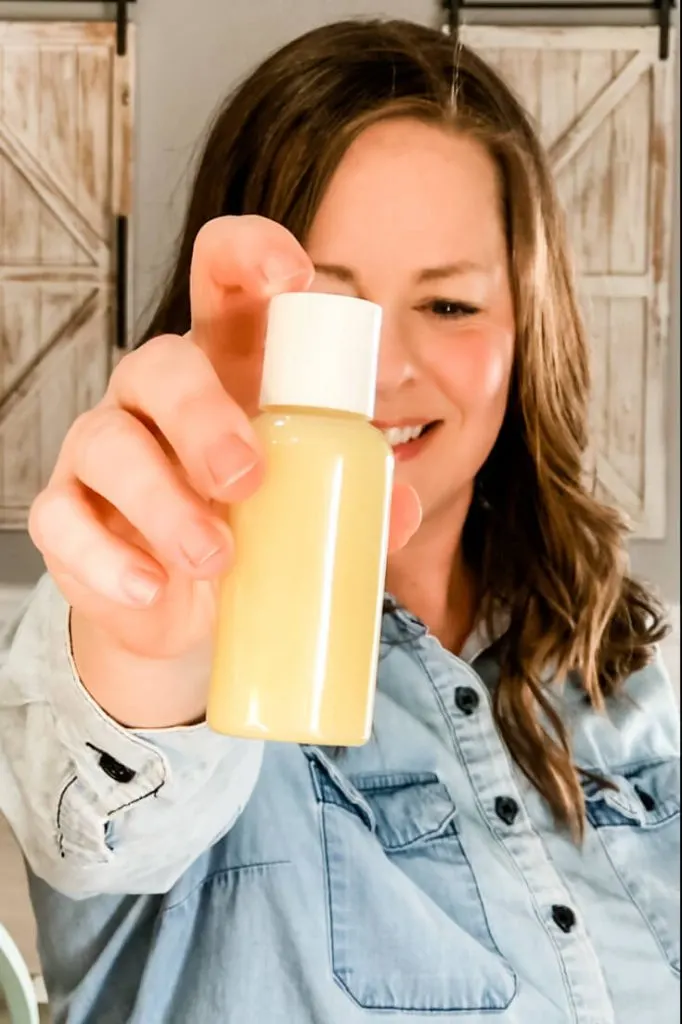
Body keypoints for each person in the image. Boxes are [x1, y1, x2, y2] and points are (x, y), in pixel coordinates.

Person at [0, 17, 679, 1024]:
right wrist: (146, 646)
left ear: (528, 329)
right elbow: (106, 799)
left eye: (448, 306)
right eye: (325, 303)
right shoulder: (177, 622)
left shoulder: (619, 665)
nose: (382, 370)